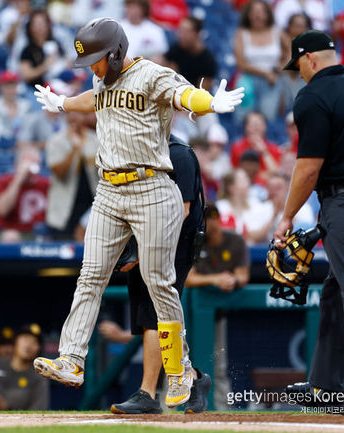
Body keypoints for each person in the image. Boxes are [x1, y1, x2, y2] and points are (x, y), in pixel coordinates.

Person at [32, 17, 243, 407]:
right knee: (90, 274)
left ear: (115, 53)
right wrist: (62, 103)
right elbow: (93, 99)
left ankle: (179, 371)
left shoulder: (152, 74)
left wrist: (210, 103)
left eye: (97, 60)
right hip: (110, 190)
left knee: (159, 282)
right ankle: (72, 359)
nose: (93, 68)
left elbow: (184, 97)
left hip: (152, 187)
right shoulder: (102, 80)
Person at [274, 30, 344, 415]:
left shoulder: (314, 95)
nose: (298, 74)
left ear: (310, 59)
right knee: (337, 291)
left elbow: (308, 168)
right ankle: (324, 386)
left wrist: (286, 215)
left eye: (298, 66)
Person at [103, 134, 211, 414]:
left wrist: (140, 248)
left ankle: (147, 393)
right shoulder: (134, 153)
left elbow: (183, 211)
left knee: (155, 315)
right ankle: (194, 379)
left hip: (177, 243)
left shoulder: (179, 154)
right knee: (144, 318)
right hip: (147, 239)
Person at [185, 203, 250, 409]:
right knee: (177, 365)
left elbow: (243, 275)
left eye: (212, 218)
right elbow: (188, 279)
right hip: (187, 315)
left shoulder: (234, 240)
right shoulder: (195, 240)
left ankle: (222, 411)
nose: (209, 223)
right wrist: (216, 279)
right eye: (205, 219)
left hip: (216, 316)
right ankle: (171, 410)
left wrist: (232, 281)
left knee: (218, 366)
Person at [233, 0, 290, 123]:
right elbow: (241, 63)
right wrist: (265, 73)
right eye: (254, 12)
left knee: (269, 118)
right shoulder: (242, 34)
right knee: (243, 120)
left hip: (272, 80)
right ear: (248, 15)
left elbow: (292, 51)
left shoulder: (277, 32)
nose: (258, 15)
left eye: (261, 12)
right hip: (248, 81)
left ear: (267, 15)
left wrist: (282, 66)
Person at [45, 111, 98, 240]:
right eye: (69, 113)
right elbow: (59, 174)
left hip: (91, 204)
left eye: (78, 113)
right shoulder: (56, 140)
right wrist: (75, 150)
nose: (73, 117)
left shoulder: (96, 139)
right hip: (64, 208)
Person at [0, 324, 50, 410]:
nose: (29, 345)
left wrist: (8, 409)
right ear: (16, 341)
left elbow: (38, 413)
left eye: (34, 342)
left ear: (38, 349)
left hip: (17, 422)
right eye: (26, 338)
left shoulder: (38, 377)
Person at [0, 147, 50, 243]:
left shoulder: (46, 184)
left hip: (38, 234)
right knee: (10, 236)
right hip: (13, 232)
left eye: (36, 163)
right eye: (28, 163)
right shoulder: (4, 181)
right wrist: (18, 179)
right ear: (16, 165)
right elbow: (2, 210)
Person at [216, 169, 274, 244]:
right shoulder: (221, 206)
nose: (248, 181)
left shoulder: (255, 204)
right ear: (231, 187)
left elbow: (258, 234)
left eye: (247, 178)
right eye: (242, 180)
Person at [165, 17, 217, 91]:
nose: (181, 35)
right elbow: (169, 80)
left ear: (197, 34)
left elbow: (203, 91)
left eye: (186, 32)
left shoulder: (208, 60)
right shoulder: (174, 50)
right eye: (180, 31)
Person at [19, 9, 67, 89]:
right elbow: (26, 75)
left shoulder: (56, 44)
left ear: (48, 26)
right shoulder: (27, 50)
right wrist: (46, 65)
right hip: (36, 91)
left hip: (59, 88)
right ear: (30, 27)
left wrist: (66, 64)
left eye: (42, 24)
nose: (39, 28)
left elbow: (66, 60)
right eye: (36, 24)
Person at [230, 111, 282, 177]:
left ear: (265, 127)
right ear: (246, 127)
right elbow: (234, 173)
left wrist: (264, 152)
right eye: (253, 124)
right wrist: (263, 175)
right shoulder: (236, 147)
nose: (256, 128)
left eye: (259, 124)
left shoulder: (274, 148)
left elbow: (276, 174)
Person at [0, 70, 31, 143]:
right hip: (2, 146)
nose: (11, 89)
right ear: (0, 87)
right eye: (7, 86)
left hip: (24, 144)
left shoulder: (25, 105)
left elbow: (30, 129)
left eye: (13, 85)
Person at [120, 0, 168, 64]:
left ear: (143, 9)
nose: (130, 10)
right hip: (122, 68)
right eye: (128, 7)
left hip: (145, 68)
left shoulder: (155, 30)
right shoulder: (118, 27)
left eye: (133, 7)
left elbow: (161, 54)